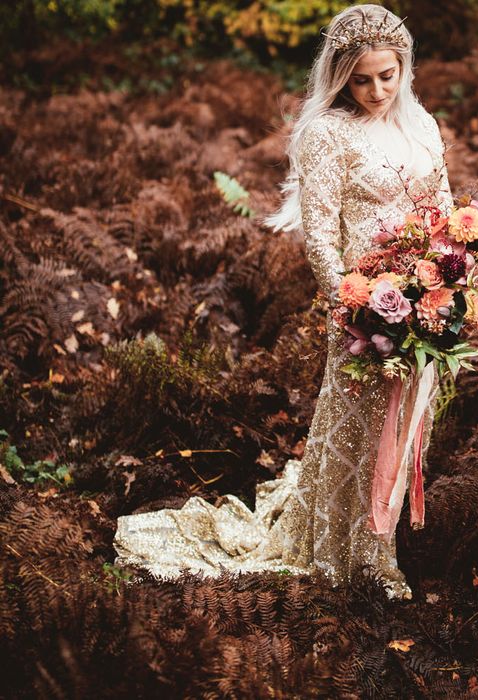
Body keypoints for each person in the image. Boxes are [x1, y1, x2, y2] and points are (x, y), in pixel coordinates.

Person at [113, 3, 452, 601]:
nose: (376, 90)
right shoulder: (327, 134)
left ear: (405, 68)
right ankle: (357, 556)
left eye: (387, 75)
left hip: (423, 298)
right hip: (363, 307)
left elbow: (444, 206)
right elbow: (320, 236)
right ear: (340, 74)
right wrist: (358, 307)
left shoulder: (419, 121)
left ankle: (383, 538)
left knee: (403, 425)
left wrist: (453, 276)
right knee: (359, 427)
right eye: (361, 78)